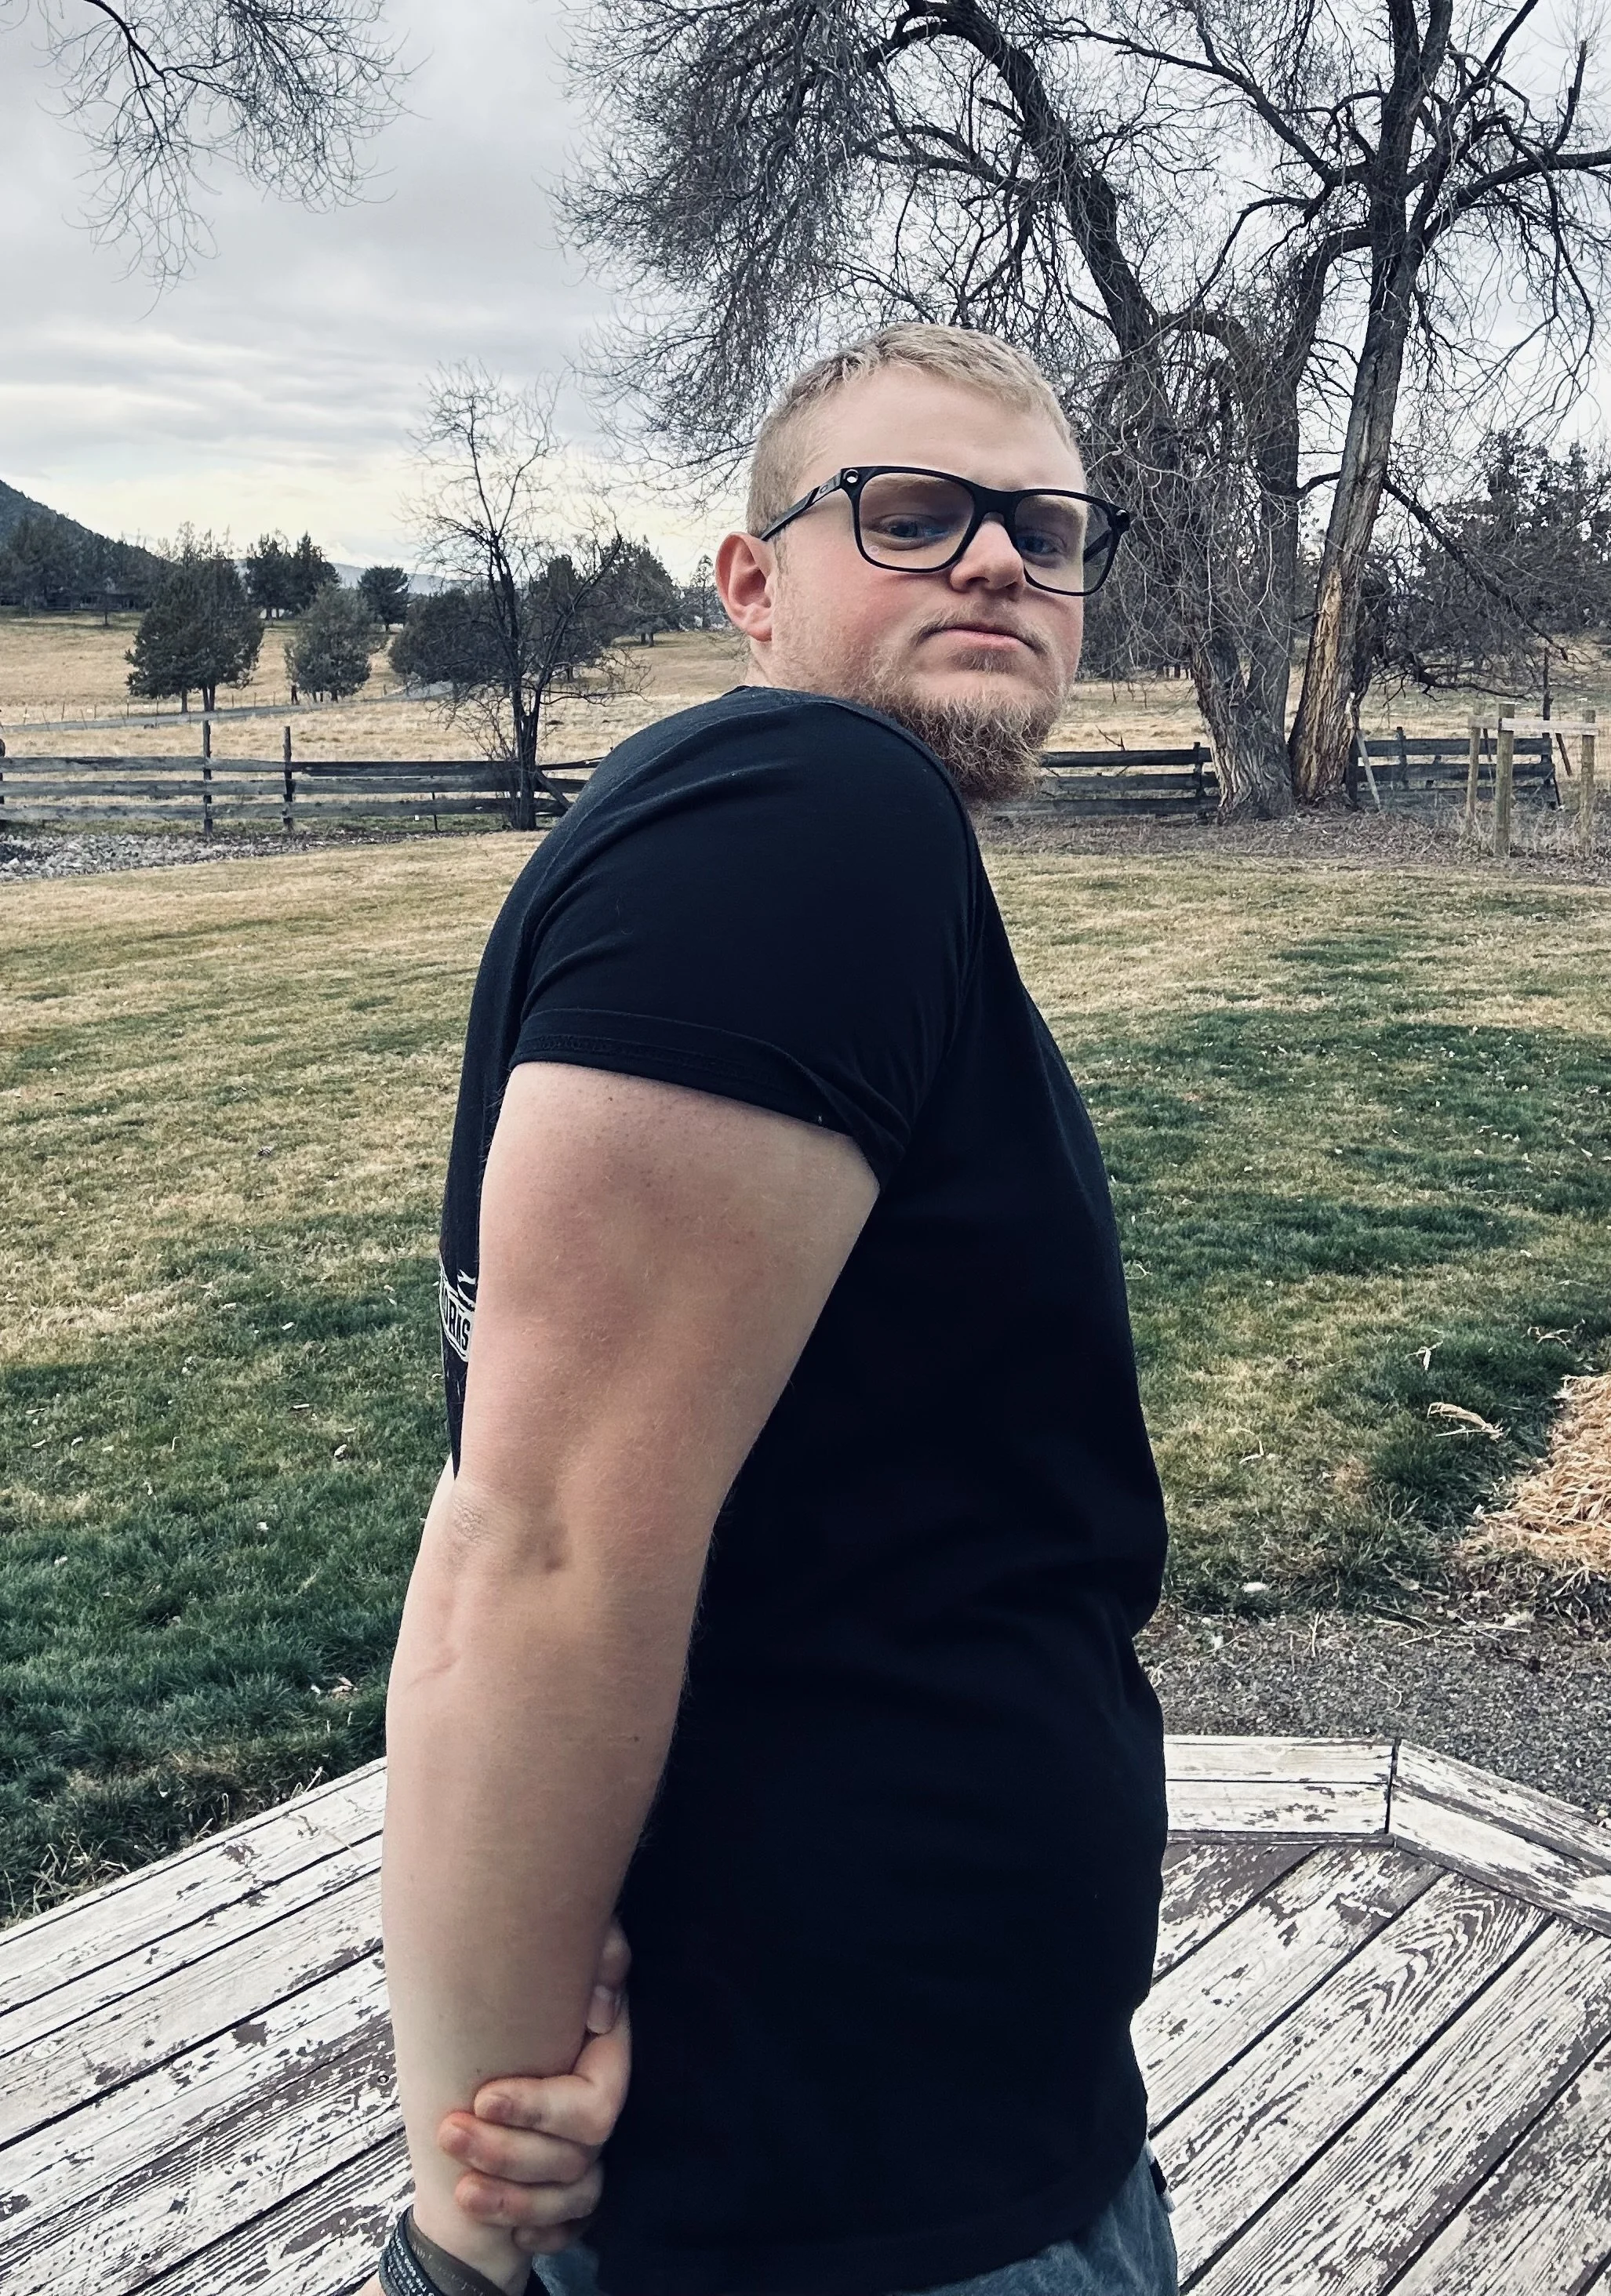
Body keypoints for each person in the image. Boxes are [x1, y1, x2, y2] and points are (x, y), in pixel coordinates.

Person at [366, 325, 1175, 2296]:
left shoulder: (802, 844)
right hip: (848, 2201)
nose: (996, 560)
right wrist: (467, 2208)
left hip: (920, 2132)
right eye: (911, 513)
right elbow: (535, 1547)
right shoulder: (809, 812)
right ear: (752, 581)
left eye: (1045, 527)